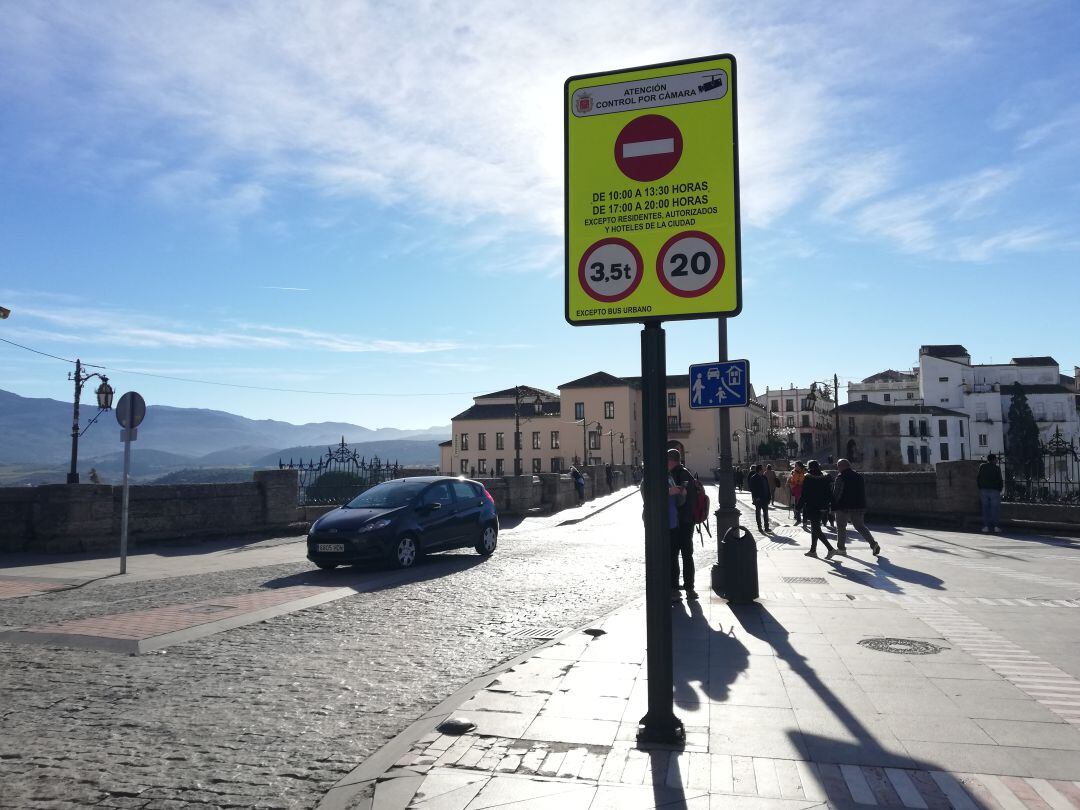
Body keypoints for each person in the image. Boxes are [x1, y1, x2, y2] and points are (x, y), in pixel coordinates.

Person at [832, 458, 880, 556]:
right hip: (858, 506)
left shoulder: (840, 477)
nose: (837, 468)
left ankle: (841, 549)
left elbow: (836, 494)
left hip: (843, 507)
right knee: (860, 526)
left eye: (838, 466)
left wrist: (833, 506)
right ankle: (873, 544)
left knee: (841, 527)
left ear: (843, 466)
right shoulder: (859, 476)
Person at [667, 448, 698, 600]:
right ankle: (689, 587)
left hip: (679, 522)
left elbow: (679, 501)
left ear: (670, 461)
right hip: (688, 521)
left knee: (674, 554)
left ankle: (675, 586)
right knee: (687, 555)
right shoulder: (688, 473)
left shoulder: (676, 475)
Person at [800, 461, 836, 559]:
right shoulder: (825, 477)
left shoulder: (808, 478)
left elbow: (804, 494)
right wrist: (832, 506)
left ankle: (830, 549)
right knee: (815, 527)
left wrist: (798, 507)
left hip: (812, 506)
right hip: (823, 507)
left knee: (816, 529)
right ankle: (813, 550)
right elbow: (829, 493)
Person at [977, 453, 1004, 533]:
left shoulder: (982, 466)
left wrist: (980, 487)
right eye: (996, 459)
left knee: (985, 509)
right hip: (994, 490)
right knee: (994, 509)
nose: (997, 460)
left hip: (984, 490)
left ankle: (986, 526)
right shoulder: (997, 468)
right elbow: (1000, 479)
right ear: (993, 459)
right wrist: (1000, 489)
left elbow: (978, 478)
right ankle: (996, 526)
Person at [748, 463, 771, 533]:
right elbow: (752, 489)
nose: (763, 470)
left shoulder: (764, 477)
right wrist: (755, 497)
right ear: (759, 470)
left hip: (765, 498)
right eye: (762, 469)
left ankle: (766, 527)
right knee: (758, 513)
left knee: (766, 513)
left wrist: (769, 497)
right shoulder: (753, 478)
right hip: (758, 499)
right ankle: (759, 527)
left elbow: (767, 487)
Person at [789, 461, 807, 527]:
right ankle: (798, 520)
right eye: (795, 466)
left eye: (796, 465)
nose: (795, 467)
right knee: (797, 505)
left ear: (800, 466)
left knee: (805, 507)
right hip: (796, 490)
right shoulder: (793, 472)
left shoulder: (804, 472)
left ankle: (804, 521)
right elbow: (791, 481)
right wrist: (791, 483)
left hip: (803, 491)